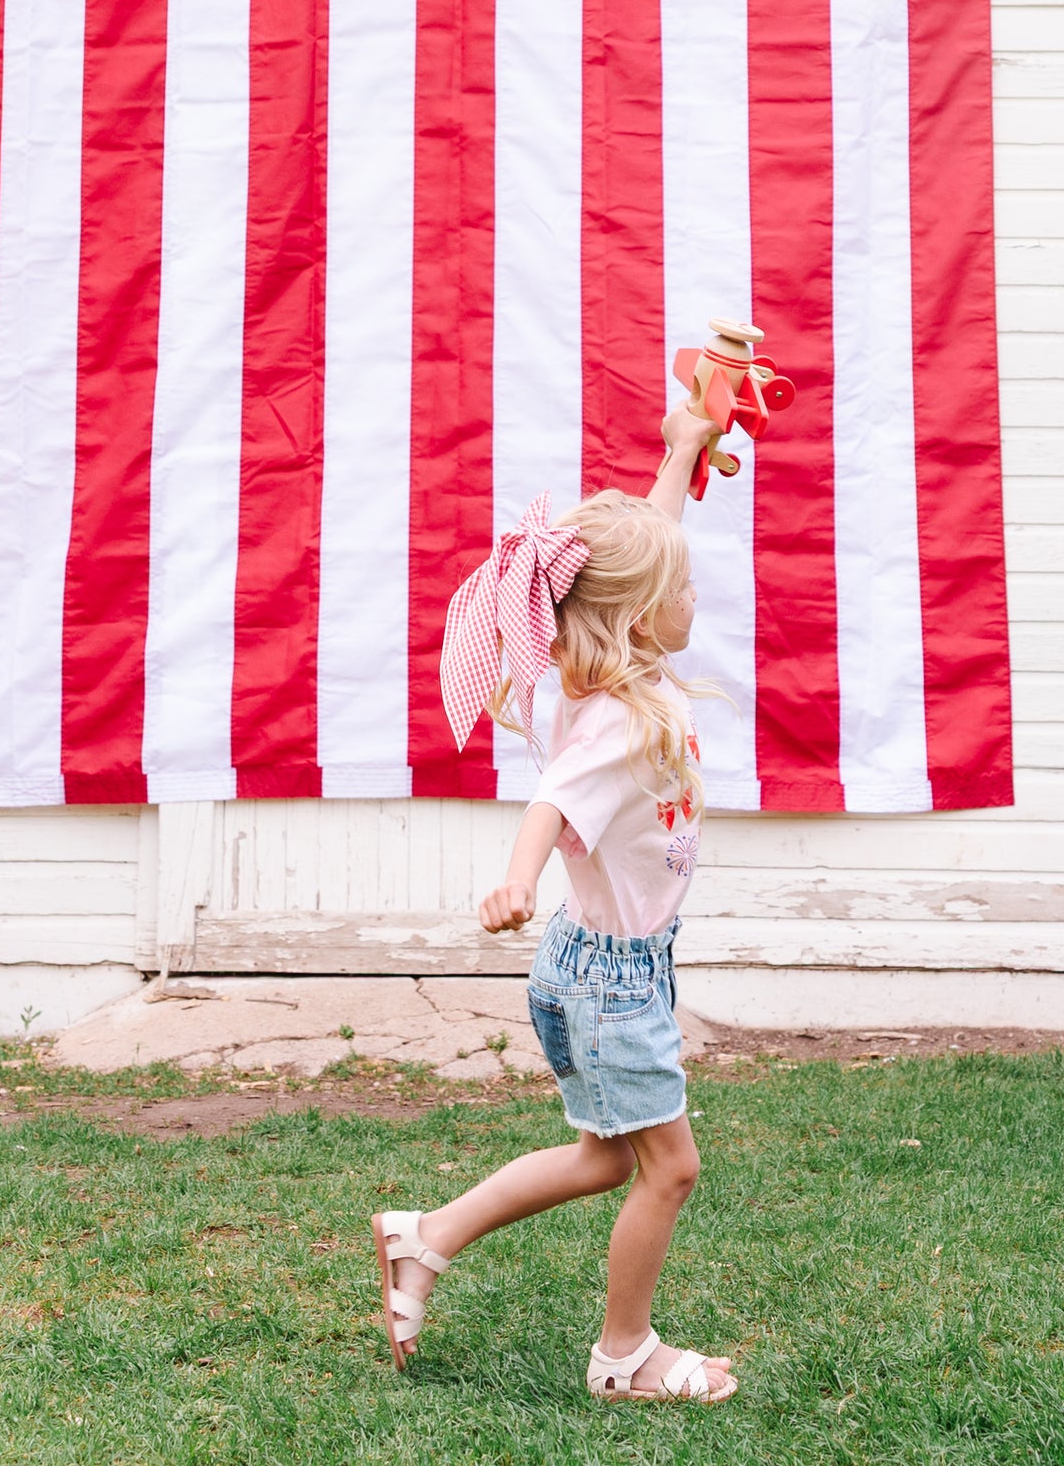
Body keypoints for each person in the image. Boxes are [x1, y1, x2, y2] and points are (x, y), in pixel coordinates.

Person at [370, 399, 737, 1403]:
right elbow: (550, 801)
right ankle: (624, 1355)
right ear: (633, 616)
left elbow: (644, 553)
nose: (693, 599)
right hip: (607, 978)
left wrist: (679, 452)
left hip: (596, 964)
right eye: (683, 590)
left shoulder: (576, 675)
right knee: (669, 1170)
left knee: (600, 1160)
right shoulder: (620, 721)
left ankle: (425, 1237)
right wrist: (513, 880)